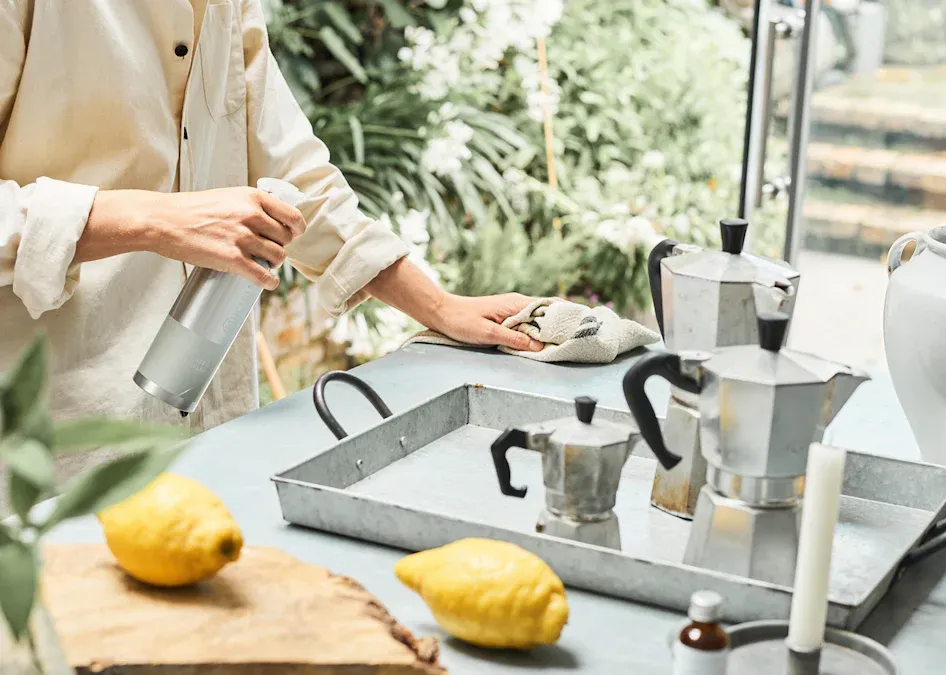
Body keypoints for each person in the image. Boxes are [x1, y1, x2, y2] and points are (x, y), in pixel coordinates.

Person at [0, 1, 544, 439]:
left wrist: (440, 307)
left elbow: (292, 171)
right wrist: (154, 220)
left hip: (209, 426)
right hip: (58, 428)